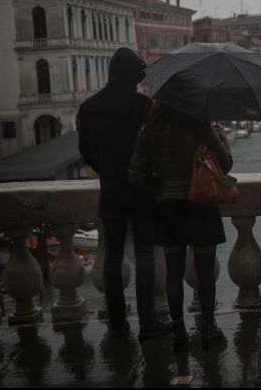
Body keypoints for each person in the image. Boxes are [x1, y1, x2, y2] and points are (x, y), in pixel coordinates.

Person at [77, 47, 172, 341]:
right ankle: (148, 324)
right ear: (132, 75)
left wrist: (107, 169)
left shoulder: (89, 107)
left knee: (112, 259)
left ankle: (118, 324)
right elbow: (157, 148)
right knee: (145, 255)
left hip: (111, 192)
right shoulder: (144, 106)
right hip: (142, 190)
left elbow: (86, 153)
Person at [128, 103, 231, 352]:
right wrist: (222, 138)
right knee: (205, 271)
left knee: (173, 272)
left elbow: (135, 174)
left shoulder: (149, 130)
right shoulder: (200, 125)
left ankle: (179, 331)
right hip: (200, 205)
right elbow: (225, 165)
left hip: (168, 207)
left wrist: (157, 190)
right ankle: (208, 328)